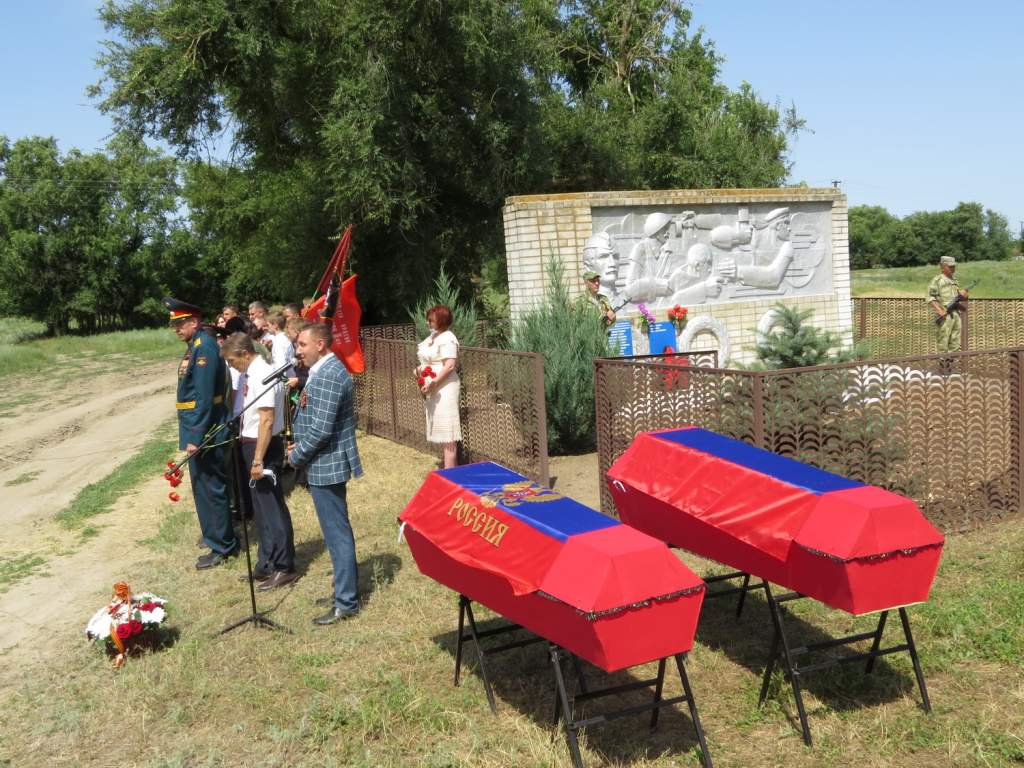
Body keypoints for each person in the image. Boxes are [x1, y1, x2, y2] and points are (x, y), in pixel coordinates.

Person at [287, 323, 364, 625]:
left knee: (337, 534)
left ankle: (346, 602)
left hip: (327, 464)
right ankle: (340, 590)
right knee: (334, 534)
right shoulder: (322, 370)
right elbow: (312, 416)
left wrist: (296, 454)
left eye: (302, 345)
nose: (298, 350)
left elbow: (322, 429)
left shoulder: (331, 373)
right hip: (320, 461)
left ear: (320, 344)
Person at [164, 297, 239, 569]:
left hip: (207, 430)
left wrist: (195, 436)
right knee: (202, 487)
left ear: (193, 322)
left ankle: (223, 545)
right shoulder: (194, 346)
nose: (176, 328)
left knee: (212, 488)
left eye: (180, 323)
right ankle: (213, 536)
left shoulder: (204, 346)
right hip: (197, 428)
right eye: (174, 323)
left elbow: (205, 398)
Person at [221, 333, 297, 590]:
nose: (231, 365)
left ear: (245, 353)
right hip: (249, 442)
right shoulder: (246, 374)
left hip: (263, 446)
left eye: (232, 360)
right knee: (261, 509)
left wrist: (257, 459)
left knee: (272, 507)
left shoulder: (264, 374)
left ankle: (284, 566)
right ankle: (266, 561)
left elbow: (266, 419)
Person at [416, 305, 462, 469]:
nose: (428, 323)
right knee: (443, 434)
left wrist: (434, 382)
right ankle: (451, 472)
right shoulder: (433, 337)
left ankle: (451, 477)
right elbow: (427, 362)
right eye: (428, 319)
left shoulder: (448, 338)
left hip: (445, 388)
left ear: (441, 321)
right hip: (433, 388)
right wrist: (419, 372)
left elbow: (450, 365)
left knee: (448, 434)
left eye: (431, 320)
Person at [928, 255, 969, 353]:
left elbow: (959, 297)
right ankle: (943, 366)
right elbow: (930, 298)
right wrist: (939, 311)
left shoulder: (954, 281)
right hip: (944, 315)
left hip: (956, 314)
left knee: (955, 342)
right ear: (942, 267)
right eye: (950, 266)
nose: (952, 268)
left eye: (953, 266)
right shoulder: (937, 280)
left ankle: (950, 365)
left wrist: (964, 295)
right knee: (943, 341)